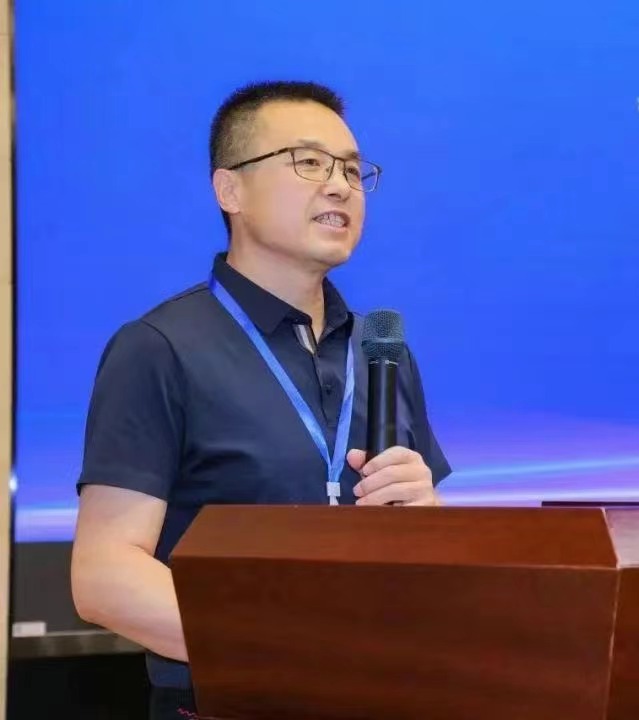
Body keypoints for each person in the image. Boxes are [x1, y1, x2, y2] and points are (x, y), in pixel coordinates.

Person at [70, 80, 452, 720]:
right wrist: (294, 649)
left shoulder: (382, 351)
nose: (340, 186)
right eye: (309, 163)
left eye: (353, 170)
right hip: (228, 700)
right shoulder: (160, 347)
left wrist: (431, 519)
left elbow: (428, 567)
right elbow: (104, 576)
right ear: (230, 190)